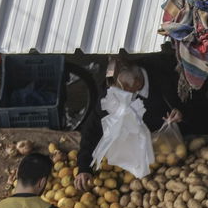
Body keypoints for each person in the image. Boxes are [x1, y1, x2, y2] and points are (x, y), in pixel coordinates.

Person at [76, 57, 189, 190]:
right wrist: (84, 167)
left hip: (175, 149)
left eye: (124, 91)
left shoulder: (167, 76)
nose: (120, 97)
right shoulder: (112, 92)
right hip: (139, 161)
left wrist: (183, 114)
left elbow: (199, 106)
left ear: (137, 82)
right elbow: (92, 129)